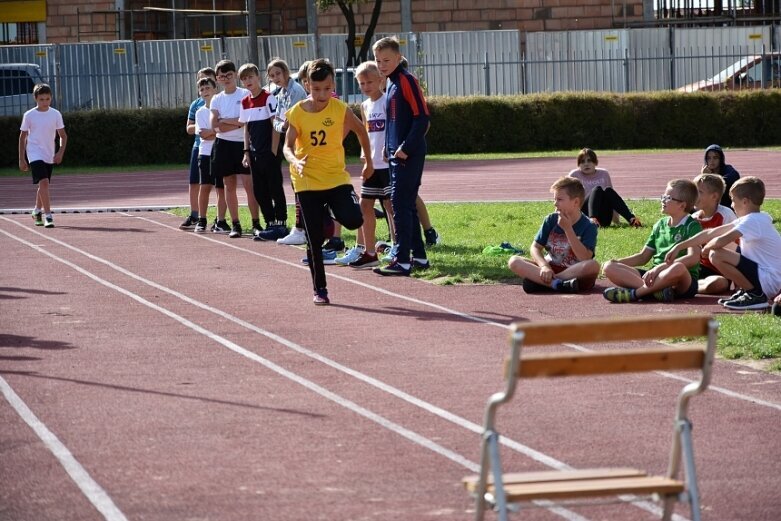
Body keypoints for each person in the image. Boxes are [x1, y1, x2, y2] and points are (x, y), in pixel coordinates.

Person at [283, 59, 373, 305]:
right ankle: (320, 289)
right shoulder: (297, 112)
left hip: (335, 178)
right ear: (306, 85)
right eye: (316, 89)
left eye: (327, 89)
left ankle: (331, 209)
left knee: (355, 220)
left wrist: (368, 161)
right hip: (307, 181)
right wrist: (295, 160)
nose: (322, 95)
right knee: (313, 239)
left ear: (333, 85)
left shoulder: (339, 108)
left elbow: (361, 131)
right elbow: (287, 146)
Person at [664, 177, 781, 311]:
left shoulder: (753, 221)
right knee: (716, 253)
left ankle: (755, 294)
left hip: (769, 280)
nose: (731, 205)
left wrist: (707, 248)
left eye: (733, 200)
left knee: (716, 254)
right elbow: (711, 233)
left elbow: (721, 240)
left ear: (744, 202)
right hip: (766, 277)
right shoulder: (753, 218)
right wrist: (679, 246)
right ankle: (750, 292)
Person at [372, 36, 431, 276]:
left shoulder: (406, 80)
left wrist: (405, 147)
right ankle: (419, 257)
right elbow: (394, 120)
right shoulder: (390, 83)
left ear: (398, 58)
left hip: (409, 153)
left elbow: (422, 117)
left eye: (386, 60)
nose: (382, 65)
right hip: (397, 153)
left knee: (399, 203)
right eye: (378, 60)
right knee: (405, 204)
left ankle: (402, 259)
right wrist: (388, 145)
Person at [334, 60, 395, 269]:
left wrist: (390, 149)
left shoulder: (388, 101)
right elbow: (365, 133)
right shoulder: (364, 106)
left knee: (390, 205)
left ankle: (397, 245)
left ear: (381, 79)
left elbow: (392, 130)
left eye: (369, 82)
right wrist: (364, 155)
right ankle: (369, 252)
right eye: (361, 83)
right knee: (365, 205)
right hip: (371, 164)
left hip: (387, 164)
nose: (366, 87)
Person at [602, 179, 702, 303]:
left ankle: (635, 294)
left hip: (681, 281)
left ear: (682, 205)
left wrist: (660, 268)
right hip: (655, 276)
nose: (663, 200)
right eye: (663, 196)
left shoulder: (692, 226)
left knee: (678, 267)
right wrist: (617, 262)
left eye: (668, 198)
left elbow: (693, 258)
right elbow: (643, 257)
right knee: (609, 267)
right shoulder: (660, 225)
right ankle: (656, 292)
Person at [508, 177, 599, 293]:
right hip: (551, 268)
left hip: (575, 272)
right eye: (554, 199)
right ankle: (559, 285)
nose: (555, 203)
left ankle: (548, 282)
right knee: (514, 261)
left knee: (593, 265)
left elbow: (585, 258)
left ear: (576, 202)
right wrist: (544, 266)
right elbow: (535, 247)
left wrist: (568, 229)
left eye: (560, 199)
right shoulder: (551, 219)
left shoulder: (589, 226)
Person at [237, 63, 287, 241]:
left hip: (269, 152)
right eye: (244, 78)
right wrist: (246, 152)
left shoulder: (268, 98)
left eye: (250, 77)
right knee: (259, 190)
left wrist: (273, 151)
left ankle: (281, 224)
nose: (248, 81)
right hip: (254, 153)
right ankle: (270, 223)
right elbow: (246, 129)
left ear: (258, 77)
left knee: (275, 188)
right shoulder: (244, 102)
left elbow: (276, 126)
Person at [210, 59, 258, 238]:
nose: (226, 78)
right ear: (217, 79)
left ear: (235, 75)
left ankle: (255, 222)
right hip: (223, 145)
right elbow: (214, 125)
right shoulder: (217, 98)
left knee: (249, 185)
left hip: (243, 144)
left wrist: (227, 121)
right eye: (222, 76)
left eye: (229, 75)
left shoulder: (245, 94)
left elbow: (244, 120)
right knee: (228, 185)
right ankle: (235, 223)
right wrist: (235, 122)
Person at [267, 58, 309, 245]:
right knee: (297, 185)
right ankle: (302, 227)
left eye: (278, 73)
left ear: (285, 72)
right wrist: (282, 125)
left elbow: (295, 117)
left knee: (304, 186)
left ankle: (303, 228)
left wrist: (284, 124)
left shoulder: (296, 90)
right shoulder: (280, 93)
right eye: (272, 75)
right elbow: (277, 121)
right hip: (291, 142)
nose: (276, 78)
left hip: (302, 142)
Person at [18, 83, 67, 228]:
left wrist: (60, 152)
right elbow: (22, 137)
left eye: (47, 99)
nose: (45, 102)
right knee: (44, 182)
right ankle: (49, 216)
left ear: (51, 98)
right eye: (41, 99)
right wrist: (22, 159)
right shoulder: (29, 115)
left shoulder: (56, 114)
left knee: (43, 184)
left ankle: (37, 211)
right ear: (35, 99)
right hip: (34, 152)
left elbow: (63, 136)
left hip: (49, 153)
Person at [567, 147, 641, 228]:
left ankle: (632, 219)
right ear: (578, 165)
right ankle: (592, 220)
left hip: (604, 218)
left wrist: (616, 220)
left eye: (589, 160)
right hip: (584, 215)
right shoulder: (574, 175)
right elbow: (565, 195)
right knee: (597, 189)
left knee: (608, 190)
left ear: (595, 162)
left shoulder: (604, 174)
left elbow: (612, 198)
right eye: (582, 161)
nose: (586, 164)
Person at [183, 67, 218, 229]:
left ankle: (220, 217)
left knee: (219, 183)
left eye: (207, 79)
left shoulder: (220, 101)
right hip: (200, 146)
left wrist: (212, 130)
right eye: (200, 81)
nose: (204, 85)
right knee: (195, 181)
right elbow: (189, 128)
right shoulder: (196, 105)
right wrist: (202, 128)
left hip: (218, 146)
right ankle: (195, 214)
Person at [690, 173, 737, 294]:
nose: (694, 195)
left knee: (718, 284)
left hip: (719, 269)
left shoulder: (726, 215)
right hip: (698, 267)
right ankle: (682, 285)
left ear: (714, 196)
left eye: (699, 192)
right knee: (676, 271)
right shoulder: (693, 218)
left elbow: (735, 247)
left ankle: (686, 287)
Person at [192, 76, 224, 233]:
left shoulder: (222, 108)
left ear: (215, 89)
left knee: (221, 188)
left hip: (222, 152)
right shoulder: (200, 112)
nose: (205, 91)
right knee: (205, 187)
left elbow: (225, 130)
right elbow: (204, 134)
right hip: (205, 154)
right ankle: (201, 219)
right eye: (202, 89)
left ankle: (221, 220)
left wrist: (217, 130)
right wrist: (218, 130)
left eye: (208, 88)